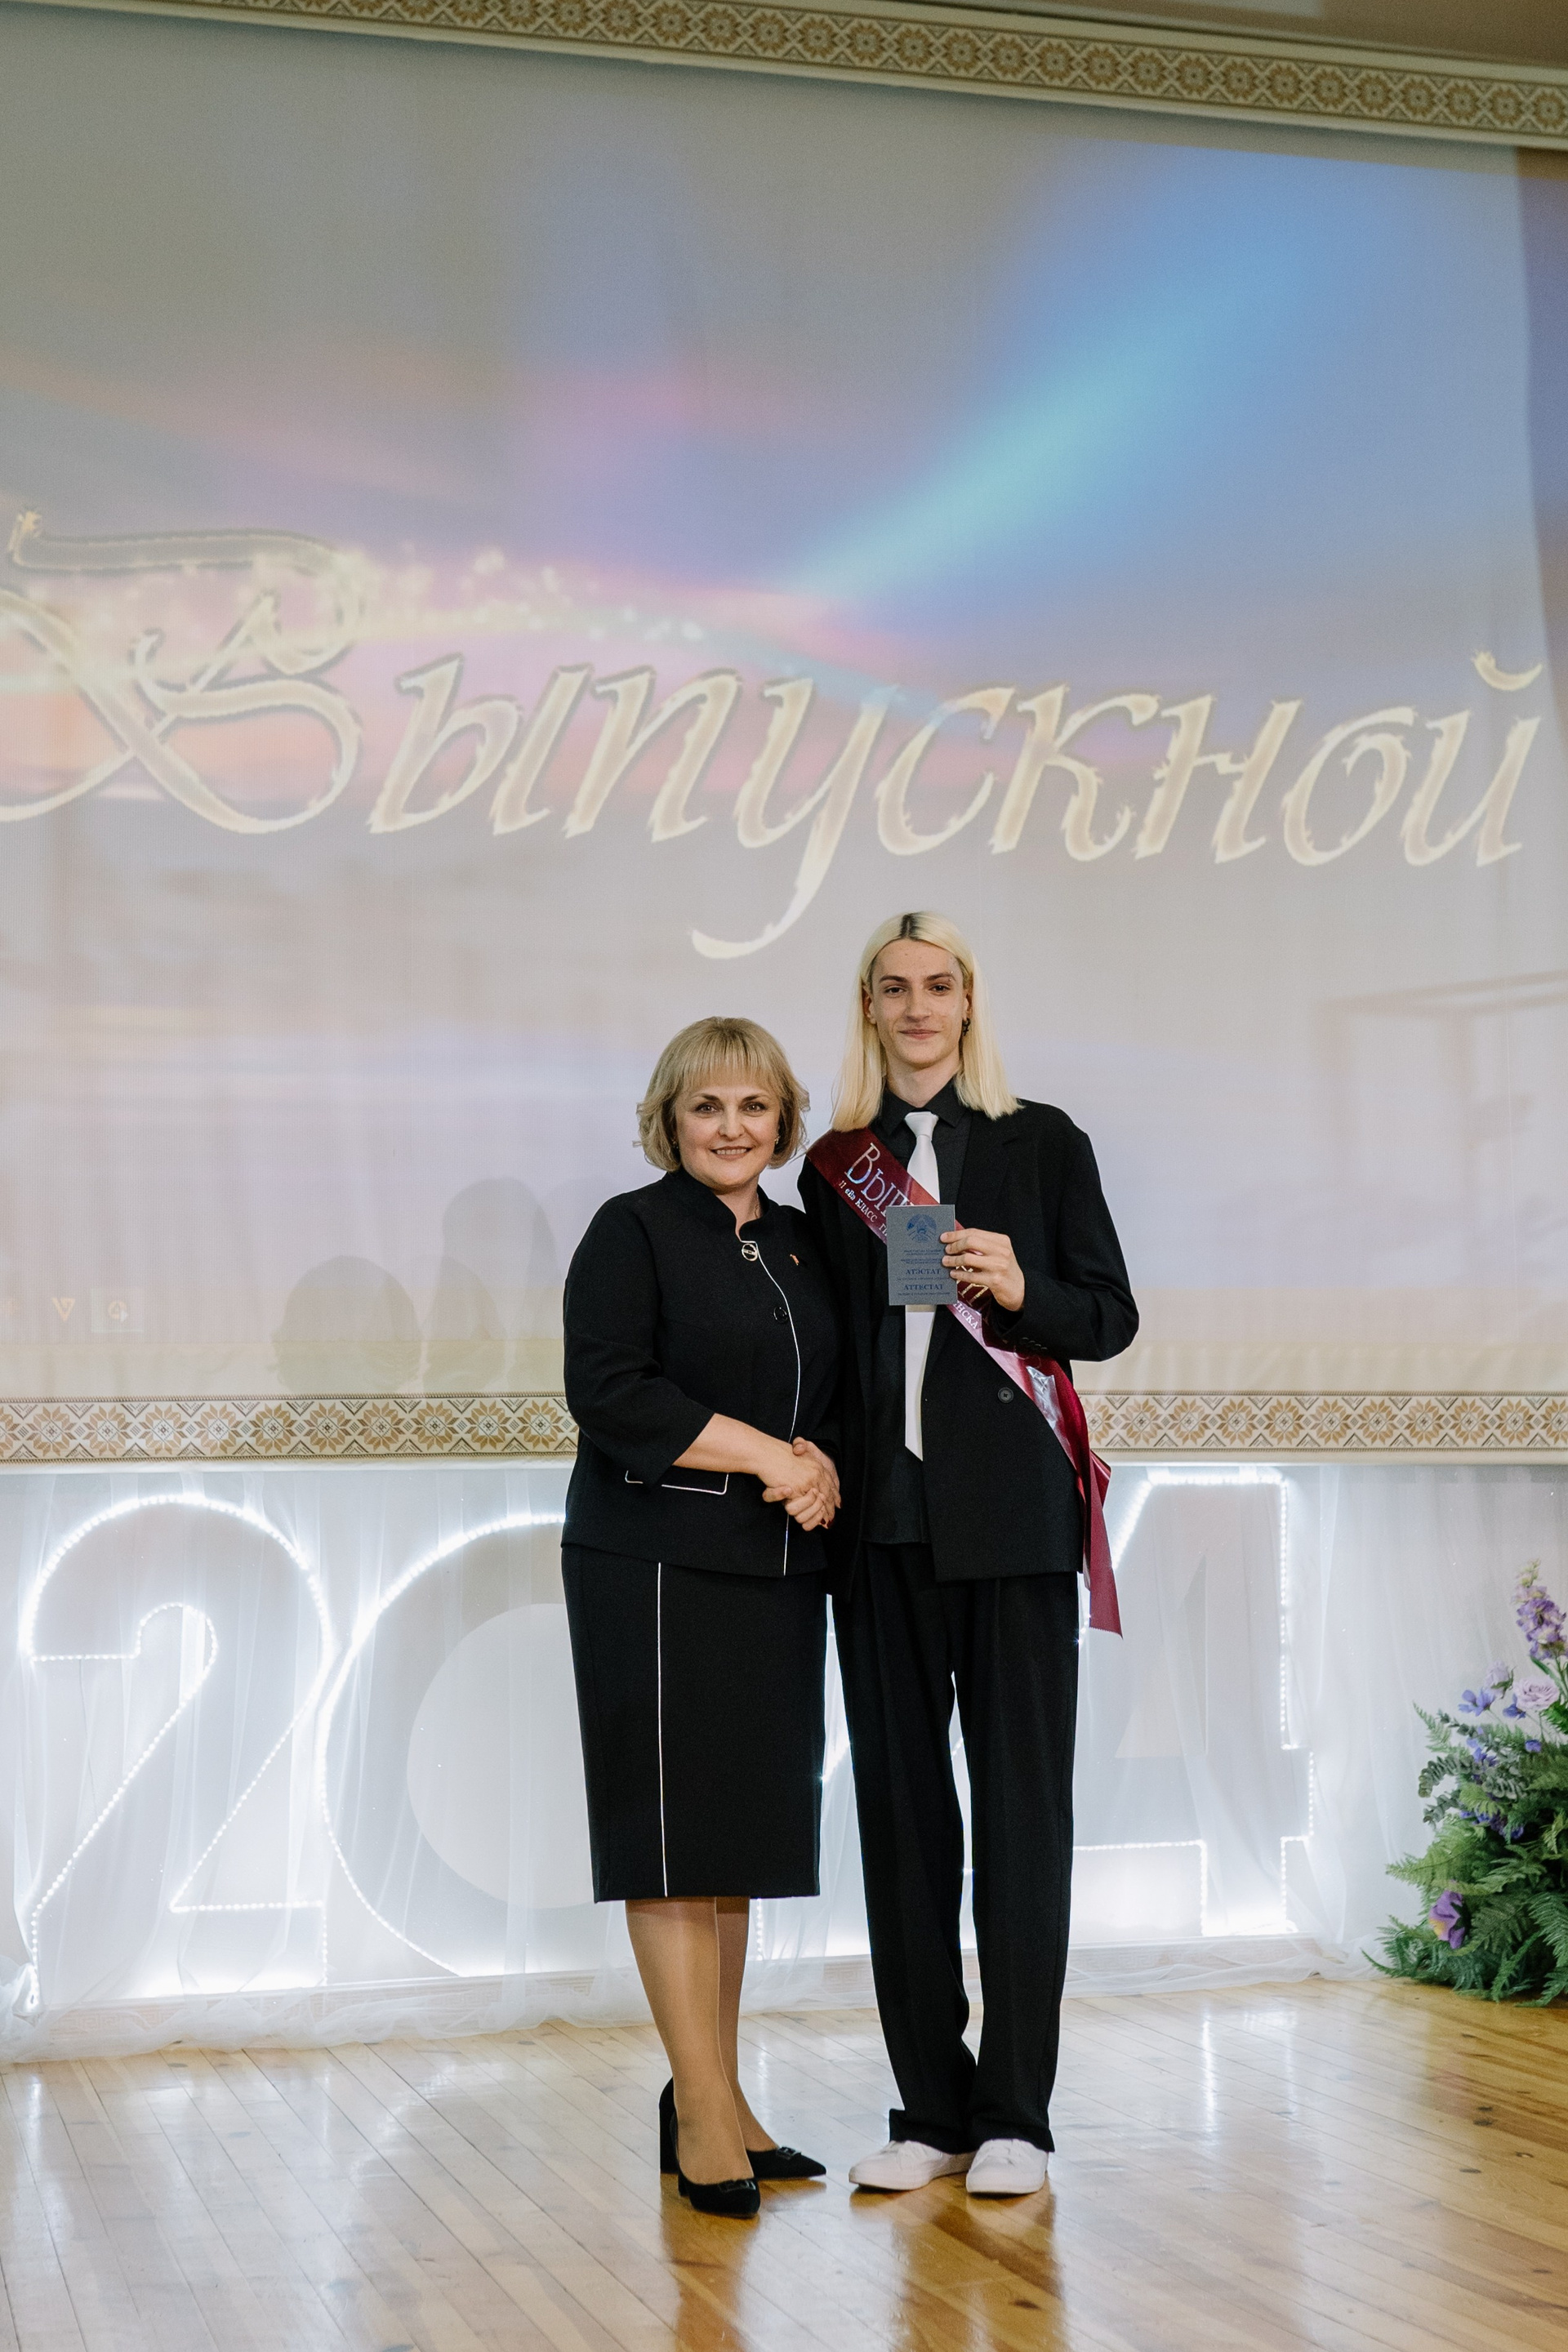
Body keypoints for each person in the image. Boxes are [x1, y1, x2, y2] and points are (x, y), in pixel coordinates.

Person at [800, 911, 1138, 2198]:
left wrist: (1022, 1287)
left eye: (938, 985)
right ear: (869, 1009)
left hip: (1012, 1524)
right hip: (883, 1524)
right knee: (901, 1822)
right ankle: (932, 2112)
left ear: (969, 1001)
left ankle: (1017, 2120)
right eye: (894, 988)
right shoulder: (838, 1165)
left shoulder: (1044, 1142)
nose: (918, 1007)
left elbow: (1108, 1316)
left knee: (1021, 1817)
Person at [561, 1016, 841, 2218]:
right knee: (674, 1847)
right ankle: (704, 2117)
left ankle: (716, 2094)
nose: (733, 1128)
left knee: (732, 1852)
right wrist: (771, 1456)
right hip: (655, 1565)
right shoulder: (630, 1231)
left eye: (754, 1107)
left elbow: (836, 1389)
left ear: (784, 1121)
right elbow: (611, 1390)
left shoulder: (803, 1239)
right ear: (669, 1121)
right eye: (707, 1107)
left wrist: (819, 1462)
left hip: (776, 1569)